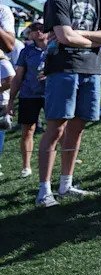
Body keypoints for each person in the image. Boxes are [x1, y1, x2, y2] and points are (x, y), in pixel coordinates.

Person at [36, 0, 101, 207]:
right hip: (63, 68)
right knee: (56, 128)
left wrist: (79, 34)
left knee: (78, 127)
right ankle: (44, 190)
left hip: (91, 69)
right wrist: (94, 36)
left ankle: (66, 183)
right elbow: (63, 37)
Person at [6, 21, 47, 177]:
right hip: (29, 95)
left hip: (51, 94)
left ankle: (64, 156)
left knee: (57, 129)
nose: (38, 31)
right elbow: (18, 77)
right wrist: (11, 101)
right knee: (27, 131)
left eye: (41, 28)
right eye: (34, 29)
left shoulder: (56, 48)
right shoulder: (26, 51)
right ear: (30, 33)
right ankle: (26, 166)